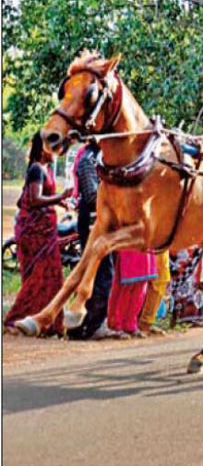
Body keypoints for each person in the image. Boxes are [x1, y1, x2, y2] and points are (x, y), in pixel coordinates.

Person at [6, 133, 73, 336]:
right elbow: (35, 199)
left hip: (45, 229)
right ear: (44, 149)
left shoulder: (47, 168)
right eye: (55, 148)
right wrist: (59, 197)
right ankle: (16, 320)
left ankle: (48, 323)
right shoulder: (36, 168)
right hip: (34, 231)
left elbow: (42, 196)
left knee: (53, 278)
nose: (59, 153)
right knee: (39, 277)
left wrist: (60, 201)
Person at [66, 137, 117, 340]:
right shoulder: (89, 160)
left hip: (102, 223)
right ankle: (90, 326)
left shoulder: (102, 158)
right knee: (101, 274)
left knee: (100, 274)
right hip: (93, 223)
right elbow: (91, 196)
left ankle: (85, 326)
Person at [107, 250, 156, 338]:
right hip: (129, 246)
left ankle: (131, 324)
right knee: (126, 288)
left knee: (140, 288)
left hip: (146, 248)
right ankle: (116, 325)